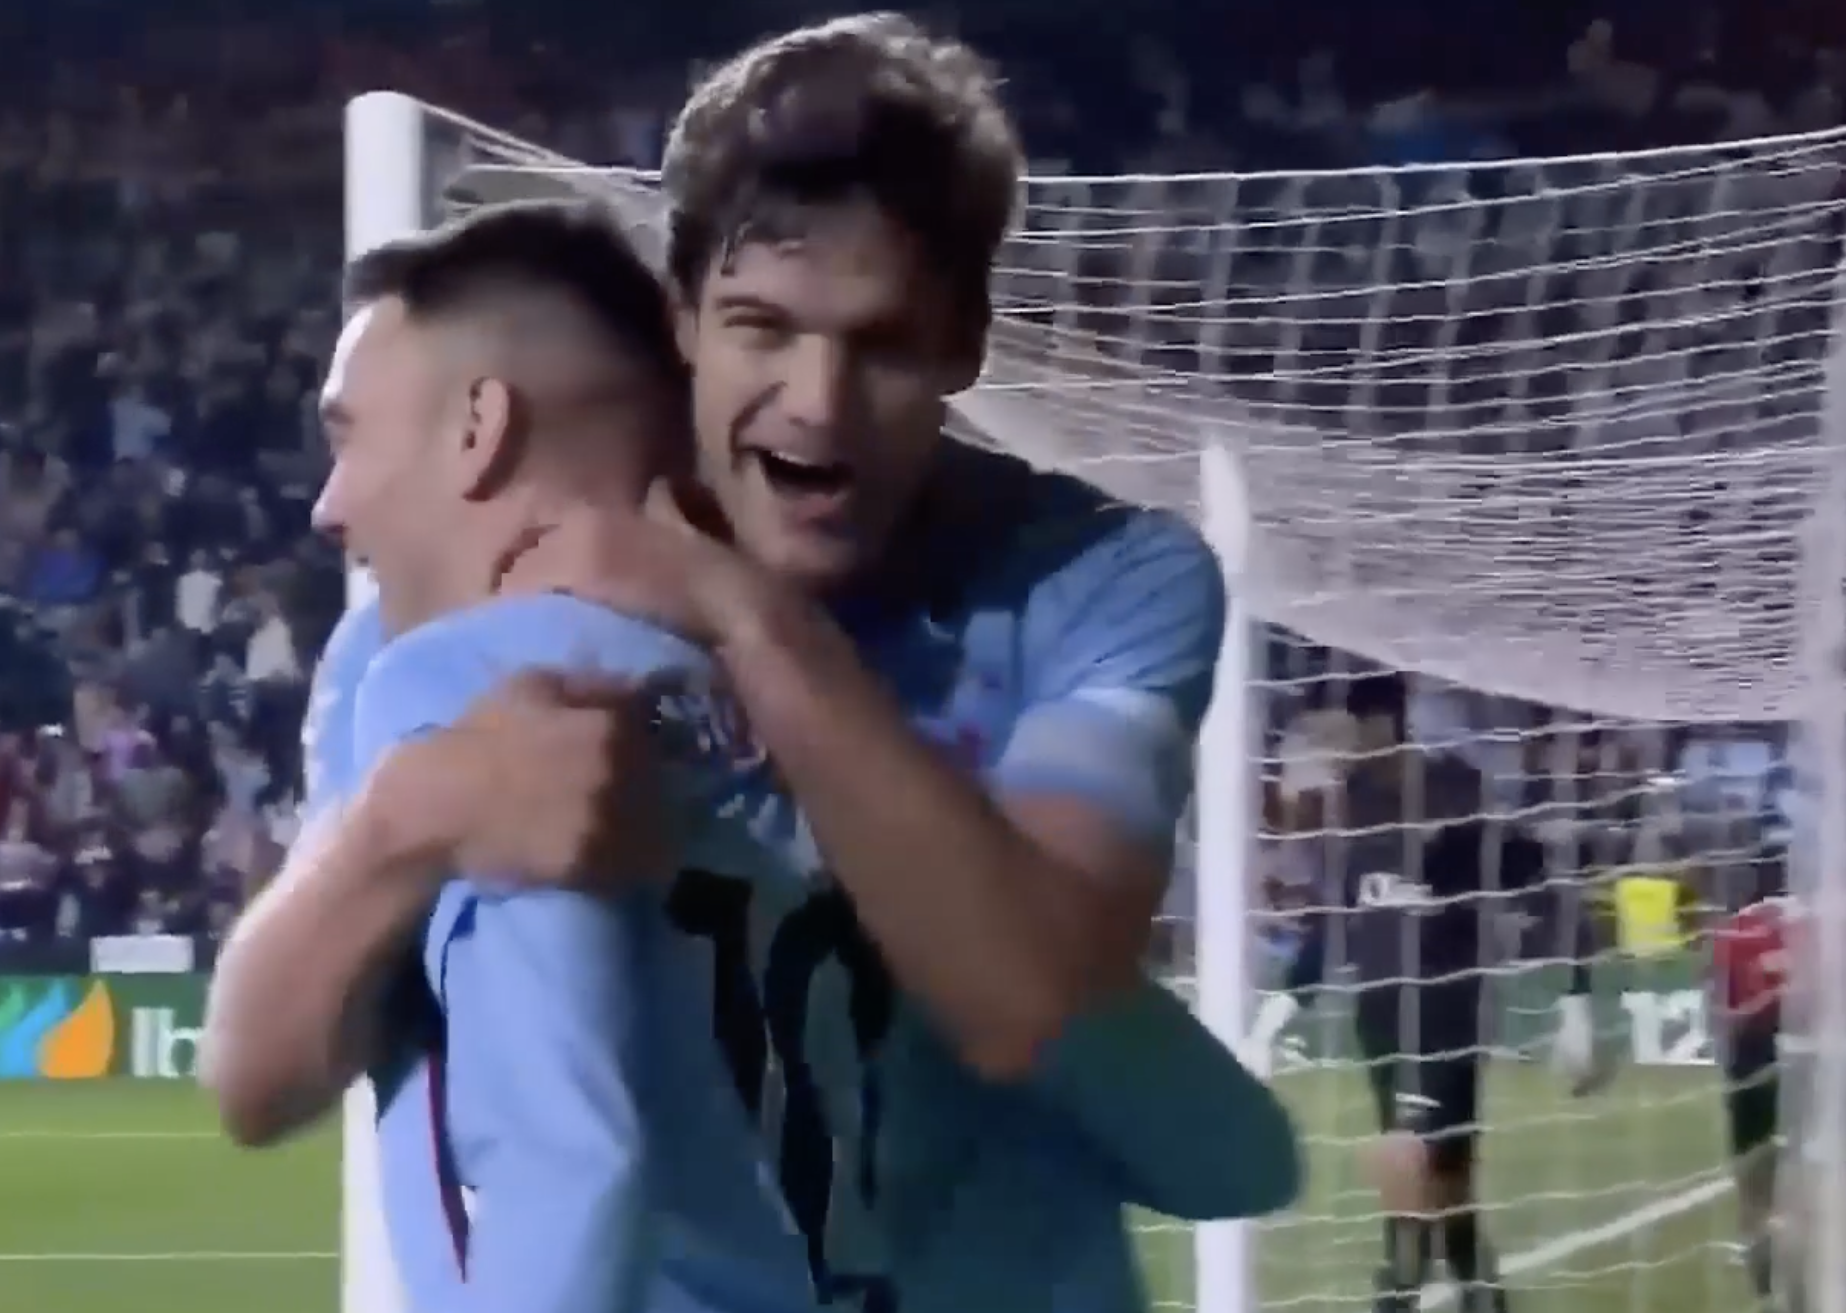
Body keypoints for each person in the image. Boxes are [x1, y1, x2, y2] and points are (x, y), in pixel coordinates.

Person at [206, 14, 1299, 1313]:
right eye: (761, 326)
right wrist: (410, 818)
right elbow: (257, 1082)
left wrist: (752, 621)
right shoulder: (454, 626)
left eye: (883, 343)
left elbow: (1027, 998)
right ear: (682, 318)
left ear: (966, 341)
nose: (817, 402)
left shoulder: (1101, 580)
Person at [216, 199, 820, 1313]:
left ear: (478, 425)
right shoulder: (793, 675)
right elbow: (262, 1070)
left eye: (348, 436)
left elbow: (572, 1158)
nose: (327, 506)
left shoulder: (487, 678)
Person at [1258, 673, 1601, 1313]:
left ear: (1384, 723)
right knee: (1425, 1172)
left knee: (1432, 1169)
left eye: (1351, 729)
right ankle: (1444, 1284)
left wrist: (1576, 1000)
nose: (1344, 745)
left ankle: (1421, 1281)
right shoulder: (1347, 807)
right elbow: (1335, 922)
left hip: (1450, 1004)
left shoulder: (1457, 790)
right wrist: (1272, 1020)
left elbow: (1538, 882)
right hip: (1381, 1011)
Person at [1701, 844, 1806, 1313]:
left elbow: (1724, 1012)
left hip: (1752, 1061)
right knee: (1808, 1181)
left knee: (1755, 1187)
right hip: (1809, 1064)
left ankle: (1767, 1296)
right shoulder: (1819, 926)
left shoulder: (1738, 928)